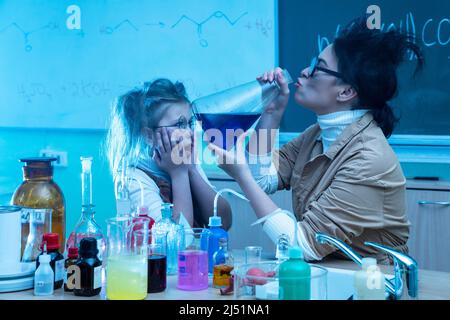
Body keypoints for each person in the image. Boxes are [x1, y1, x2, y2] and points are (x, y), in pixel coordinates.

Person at [209, 17, 424, 263]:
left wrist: (241, 176)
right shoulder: (316, 135)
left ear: (346, 92)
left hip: (373, 282)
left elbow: (303, 245)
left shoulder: (368, 159)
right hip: (333, 271)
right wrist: (271, 113)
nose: (304, 71)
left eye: (318, 67)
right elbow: (263, 179)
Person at [106, 78, 232, 229]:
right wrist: (178, 173)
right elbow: (179, 238)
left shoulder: (184, 160)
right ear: (149, 136)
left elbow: (224, 222)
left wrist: (191, 170)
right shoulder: (134, 178)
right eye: (179, 124)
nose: (190, 132)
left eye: (190, 123)